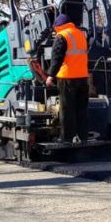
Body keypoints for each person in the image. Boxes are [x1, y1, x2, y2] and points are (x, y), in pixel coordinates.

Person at [45, 14, 89, 145]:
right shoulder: (81, 34)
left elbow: (57, 58)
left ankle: (66, 138)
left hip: (67, 77)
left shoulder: (62, 36)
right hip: (82, 77)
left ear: (58, 26)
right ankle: (83, 136)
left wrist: (50, 76)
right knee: (81, 108)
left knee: (67, 109)